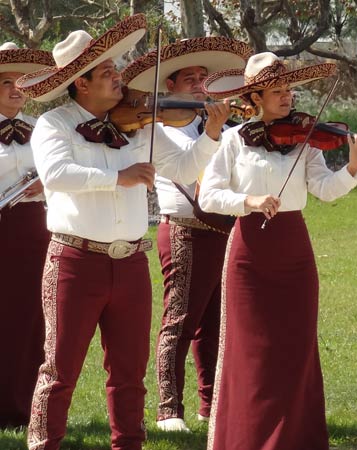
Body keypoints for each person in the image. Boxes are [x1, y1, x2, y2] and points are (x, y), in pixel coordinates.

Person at [17, 14, 228, 450]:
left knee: (130, 374)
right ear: (81, 83)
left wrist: (209, 133)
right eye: (109, 72)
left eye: (117, 69)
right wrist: (120, 176)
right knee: (59, 371)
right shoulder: (53, 124)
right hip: (75, 260)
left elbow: (187, 168)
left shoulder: (141, 120)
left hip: (131, 261)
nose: (120, 78)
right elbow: (56, 174)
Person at [199, 52, 357, 450]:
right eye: (277, 90)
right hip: (250, 253)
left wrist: (354, 167)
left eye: (289, 88)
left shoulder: (306, 138)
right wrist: (250, 201)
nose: (288, 96)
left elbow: (324, 189)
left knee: (296, 347)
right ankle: (246, 439)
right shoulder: (233, 139)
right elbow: (208, 196)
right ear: (255, 96)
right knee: (251, 351)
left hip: (294, 251)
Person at [121, 36, 251, 432]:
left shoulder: (223, 125)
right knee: (179, 322)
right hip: (185, 231)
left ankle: (211, 405)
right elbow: (192, 171)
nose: (198, 83)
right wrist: (215, 131)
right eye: (188, 78)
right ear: (170, 87)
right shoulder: (165, 125)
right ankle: (168, 410)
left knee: (215, 325)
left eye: (202, 77)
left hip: (223, 230)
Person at [0, 42, 53, 430]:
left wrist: (44, 185)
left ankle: (23, 408)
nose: (16, 89)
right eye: (6, 83)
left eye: (20, 83)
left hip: (34, 231)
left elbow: (63, 175)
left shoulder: (42, 128)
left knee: (32, 318)